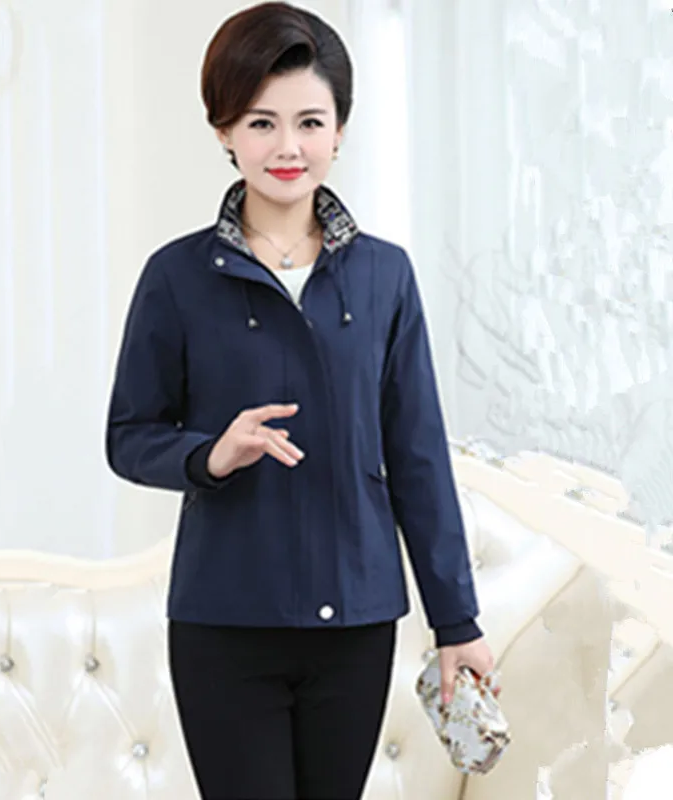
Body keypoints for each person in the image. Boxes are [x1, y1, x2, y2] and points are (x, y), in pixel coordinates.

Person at [105, 3, 496, 798]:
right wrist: (210, 454)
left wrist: (456, 622)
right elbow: (129, 436)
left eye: (310, 122)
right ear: (223, 130)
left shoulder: (385, 277)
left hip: (355, 623)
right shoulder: (176, 277)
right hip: (224, 625)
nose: (288, 147)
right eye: (261, 123)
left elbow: (418, 457)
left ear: (340, 130)